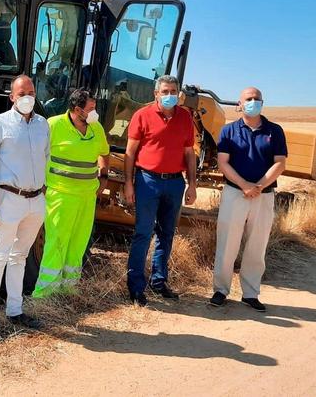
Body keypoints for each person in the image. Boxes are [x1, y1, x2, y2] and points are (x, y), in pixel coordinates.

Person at [0, 75, 50, 342]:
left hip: (36, 201)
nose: (28, 97)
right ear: (12, 97)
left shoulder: (43, 125)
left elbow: (46, 159)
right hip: (8, 200)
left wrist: (44, 194)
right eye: (22, 93)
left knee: (20, 257)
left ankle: (16, 311)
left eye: (31, 91)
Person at [209, 87, 287, 312]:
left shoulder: (274, 131)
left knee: (257, 244)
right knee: (227, 242)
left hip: (264, 195)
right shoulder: (229, 131)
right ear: (239, 105)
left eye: (257, 99)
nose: (253, 102)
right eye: (248, 99)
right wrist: (244, 186)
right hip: (235, 193)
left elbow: (280, 162)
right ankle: (220, 290)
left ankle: (251, 293)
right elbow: (223, 162)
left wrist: (259, 186)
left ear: (262, 103)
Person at [124, 75, 197, 306]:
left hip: (175, 183)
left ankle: (159, 281)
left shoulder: (185, 117)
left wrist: (192, 183)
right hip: (147, 181)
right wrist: (128, 182)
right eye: (164, 91)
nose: (169, 95)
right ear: (156, 94)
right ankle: (136, 288)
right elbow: (130, 152)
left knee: (167, 234)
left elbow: (189, 153)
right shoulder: (142, 116)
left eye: (173, 91)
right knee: (143, 233)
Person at [32, 89, 110, 297]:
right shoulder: (53, 125)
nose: (95, 113)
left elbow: (104, 153)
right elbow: (36, 154)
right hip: (60, 195)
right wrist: (41, 185)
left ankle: (68, 290)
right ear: (77, 110)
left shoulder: (96, 128)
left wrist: (103, 178)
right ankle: (45, 295)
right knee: (56, 242)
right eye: (91, 109)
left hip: (86, 197)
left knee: (78, 243)